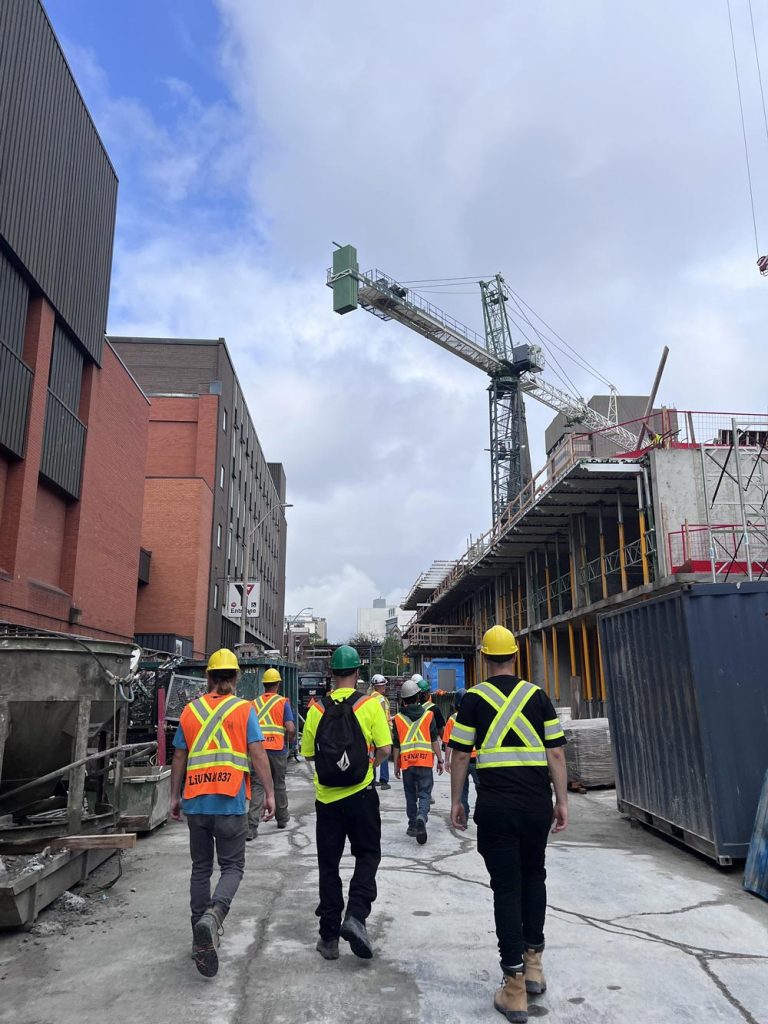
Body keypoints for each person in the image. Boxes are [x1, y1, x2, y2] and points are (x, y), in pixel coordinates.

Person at [448, 625, 567, 1024]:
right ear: (517, 656)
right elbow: (556, 756)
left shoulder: (474, 700)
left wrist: (456, 801)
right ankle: (534, 966)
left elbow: (461, 756)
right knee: (535, 877)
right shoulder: (538, 696)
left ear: (484, 658)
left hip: (497, 808)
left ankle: (513, 988)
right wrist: (562, 801)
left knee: (506, 888)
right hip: (536, 806)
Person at [170, 648, 276, 978]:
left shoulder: (190, 711)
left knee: (201, 868)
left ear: (209, 677)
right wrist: (270, 793)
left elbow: (178, 757)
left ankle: (197, 938)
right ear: (235, 677)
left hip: (197, 802)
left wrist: (174, 796)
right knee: (233, 866)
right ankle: (213, 918)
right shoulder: (244, 710)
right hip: (230, 802)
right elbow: (258, 755)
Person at [300, 645, 391, 962]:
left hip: (327, 800)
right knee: (368, 854)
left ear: (331, 674)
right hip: (362, 795)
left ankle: (328, 938)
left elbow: (308, 753)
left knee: (329, 866)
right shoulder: (369, 706)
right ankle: (356, 914)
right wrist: (365, 766)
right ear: (357, 673)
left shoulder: (316, 709)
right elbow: (384, 749)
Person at [392, 679, 443, 843]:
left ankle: (412, 826)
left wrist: (396, 765)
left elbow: (396, 745)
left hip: (407, 763)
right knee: (425, 793)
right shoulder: (429, 715)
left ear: (403, 699)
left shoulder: (398, 719)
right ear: (419, 696)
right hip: (425, 762)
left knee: (410, 795)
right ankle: (422, 816)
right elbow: (435, 740)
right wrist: (440, 759)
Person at [247, 667, 295, 839]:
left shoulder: (253, 703)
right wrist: (290, 740)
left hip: (258, 751)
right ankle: (282, 818)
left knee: (258, 786)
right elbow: (290, 727)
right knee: (279, 784)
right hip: (277, 750)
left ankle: (251, 827)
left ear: (264, 685)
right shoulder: (283, 703)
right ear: (278, 684)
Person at [443, 689, 478, 820]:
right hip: (476, 759)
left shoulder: (452, 720)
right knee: (482, 789)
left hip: (460, 760)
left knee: (462, 791)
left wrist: (447, 760)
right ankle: (483, 816)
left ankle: (463, 818)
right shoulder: (476, 716)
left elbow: (447, 742)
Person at [369, 674, 392, 790]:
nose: (384, 687)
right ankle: (384, 780)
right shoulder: (381, 699)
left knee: (372, 754)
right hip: (382, 729)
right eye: (382, 685)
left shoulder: (370, 697)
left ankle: (372, 780)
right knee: (384, 754)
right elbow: (383, 716)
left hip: (371, 730)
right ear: (377, 686)